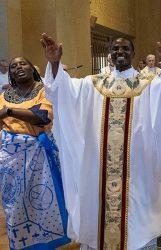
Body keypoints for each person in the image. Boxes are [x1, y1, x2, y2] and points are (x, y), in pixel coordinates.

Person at [40, 33, 161, 250]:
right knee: (99, 213)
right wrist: (54, 63)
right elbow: (61, 91)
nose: (120, 52)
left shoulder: (148, 84)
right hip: (99, 172)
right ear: (110, 55)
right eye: (115, 49)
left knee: (137, 219)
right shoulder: (92, 84)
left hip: (137, 170)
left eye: (125, 49)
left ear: (133, 53)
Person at [0, 57, 70, 249]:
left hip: (37, 156)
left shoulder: (43, 90)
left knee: (41, 200)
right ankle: (19, 244)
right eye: (13, 66)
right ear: (10, 74)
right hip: (9, 158)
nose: (18, 67)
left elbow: (42, 116)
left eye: (23, 64)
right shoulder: (4, 96)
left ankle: (44, 243)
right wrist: (9, 111)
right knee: (14, 205)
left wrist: (9, 112)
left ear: (33, 69)